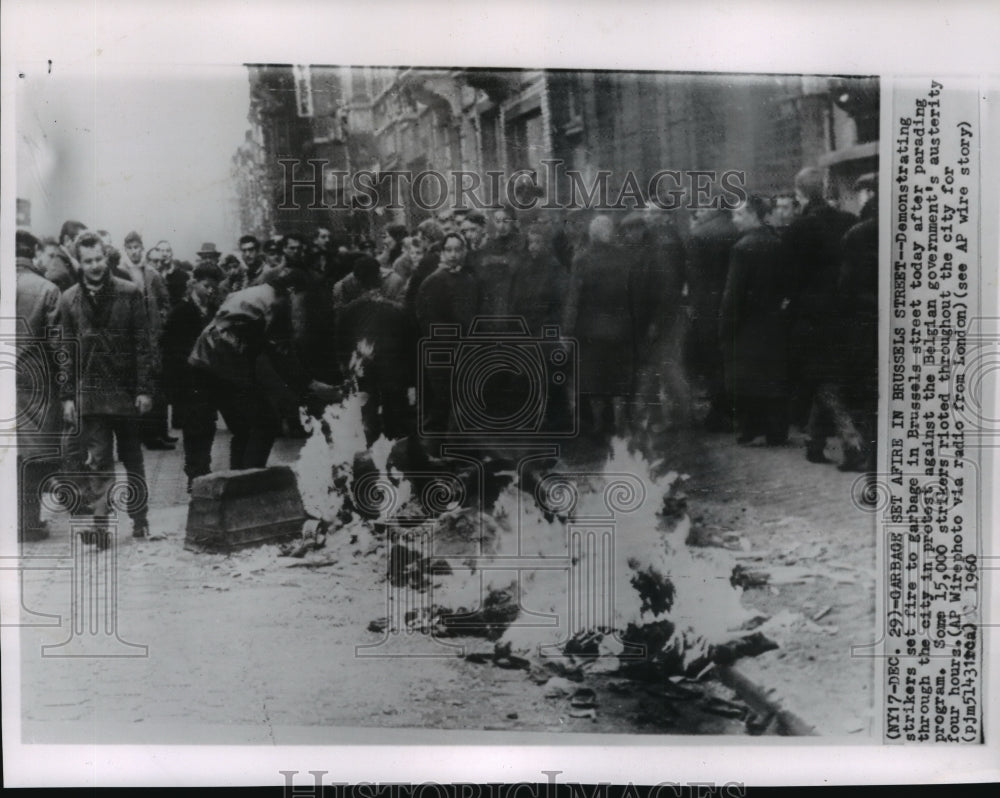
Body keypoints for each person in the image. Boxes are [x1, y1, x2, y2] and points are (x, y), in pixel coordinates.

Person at [187, 266, 341, 470]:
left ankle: (237, 478)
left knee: (241, 426)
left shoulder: (254, 292)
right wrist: (310, 385)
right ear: (293, 290)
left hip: (203, 362)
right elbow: (281, 354)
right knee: (265, 423)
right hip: (224, 366)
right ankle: (248, 479)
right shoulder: (278, 304)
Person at [58, 231, 156, 540]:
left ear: (107, 256)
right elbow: (66, 351)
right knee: (98, 461)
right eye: (88, 261)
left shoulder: (130, 293)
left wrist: (144, 389)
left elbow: (143, 345)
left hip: (126, 393)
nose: (95, 266)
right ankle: (101, 526)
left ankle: (140, 519)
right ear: (80, 262)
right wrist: (67, 397)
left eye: (99, 258)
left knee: (132, 459)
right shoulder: (69, 299)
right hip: (92, 395)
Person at [783, 166, 856, 455]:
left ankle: (852, 442)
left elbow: (788, 279)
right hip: (846, 312)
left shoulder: (796, 229)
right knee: (828, 375)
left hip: (810, 317)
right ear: (826, 189)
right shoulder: (848, 221)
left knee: (824, 378)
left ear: (799, 194)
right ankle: (814, 441)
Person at [719, 196, 793, 446]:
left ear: (753, 215)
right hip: (774, 322)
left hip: (747, 324)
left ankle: (749, 428)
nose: (734, 219)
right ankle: (776, 430)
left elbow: (733, 293)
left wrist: (725, 325)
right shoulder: (778, 243)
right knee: (773, 378)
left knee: (746, 379)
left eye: (739, 215)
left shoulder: (741, 248)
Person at [562, 216, 634, 440]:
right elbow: (631, 293)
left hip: (589, 329)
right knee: (612, 376)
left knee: (590, 377)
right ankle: (611, 421)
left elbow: (574, 298)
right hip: (619, 328)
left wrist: (567, 331)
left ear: (592, 234)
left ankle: (591, 423)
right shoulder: (624, 257)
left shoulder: (582, 259)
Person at [622, 210, 691, 432]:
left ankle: (681, 415)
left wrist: (656, 323)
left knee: (667, 368)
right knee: (651, 371)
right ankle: (658, 417)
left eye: (635, 229)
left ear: (643, 229)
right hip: (645, 322)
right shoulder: (637, 252)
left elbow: (667, 292)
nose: (631, 234)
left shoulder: (655, 253)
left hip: (660, 322)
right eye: (627, 231)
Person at [15, 230, 62, 541]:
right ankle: (28, 523)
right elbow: (59, 346)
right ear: (33, 253)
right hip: (35, 383)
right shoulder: (46, 289)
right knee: (33, 456)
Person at [336, 256, 414, 444]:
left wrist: (347, 373)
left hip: (363, 377)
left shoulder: (348, 312)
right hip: (394, 377)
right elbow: (410, 346)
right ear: (379, 276)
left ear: (356, 280)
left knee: (366, 427)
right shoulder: (397, 311)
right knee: (396, 427)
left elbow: (342, 347)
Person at [161, 262, 225, 491]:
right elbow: (169, 349)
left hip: (208, 381)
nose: (210, 291)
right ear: (194, 283)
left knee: (207, 425)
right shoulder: (181, 312)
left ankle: (203, 468)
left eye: (214, 287)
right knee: (192, 428)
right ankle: (194, 473)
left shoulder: (215, 311)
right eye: (206, 286)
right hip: (187, 382)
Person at [415, 232, 479, 434]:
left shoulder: (469, 280)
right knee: (443, 402)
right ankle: (433, 450)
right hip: (442, 352)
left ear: (465, 252)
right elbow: (427, 320)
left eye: (458, 250)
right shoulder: (433, 281)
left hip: (466, 351)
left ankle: (459, 452)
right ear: (442, 253)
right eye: (448, 250)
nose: (453, 254)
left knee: (463, 402)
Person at [685, 206, 740, 431]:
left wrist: (693, 307)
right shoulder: (738, 228)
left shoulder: (698, 234)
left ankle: (719, 413)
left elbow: (694, 276)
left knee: (712, 359)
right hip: (735, 302)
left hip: (708, 306)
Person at [120, 231, 173, 450]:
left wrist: (160, 322)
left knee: (156, 385)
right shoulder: (121, 273)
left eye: (137, 247)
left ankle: (158, 433)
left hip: (152, 336)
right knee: (139, 385)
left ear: (142, 248)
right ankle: (145, 436)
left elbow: (165, 300)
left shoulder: (151, 273)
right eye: (130, 247)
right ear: (126, 249)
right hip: (131, 337)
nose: (134, 251)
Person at [472, 206, 524, 318]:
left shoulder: (521, 241)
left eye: (506, 221)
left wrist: (493, 260)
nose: (501, 226)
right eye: (498, 221)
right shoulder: (490, 243)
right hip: (494, 297)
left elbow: (515, 265)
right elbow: (481, 269)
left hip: (515, 294)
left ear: (513, 221)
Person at [45, 220, 88, 291]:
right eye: (81, 242)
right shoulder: (58, 273)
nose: (85, 247)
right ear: (67, 240)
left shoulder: (69, 263)